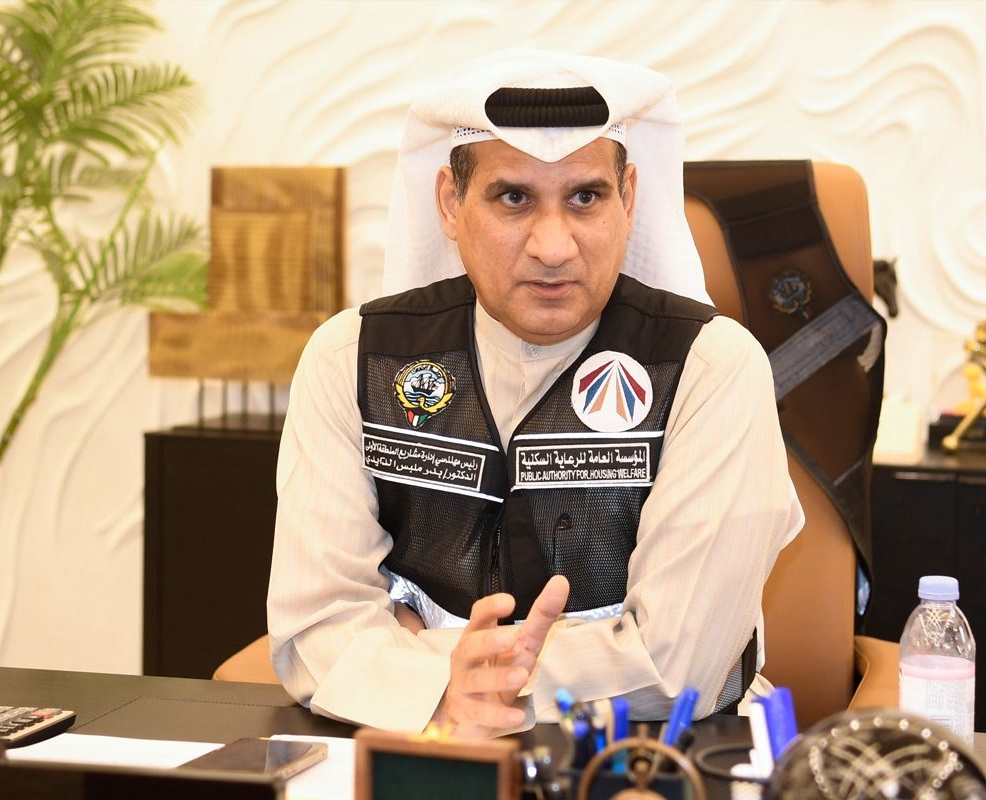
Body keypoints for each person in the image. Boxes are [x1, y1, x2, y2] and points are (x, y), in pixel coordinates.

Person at [267, 49, 803, 738]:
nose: (553, 246)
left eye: (585, 197)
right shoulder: (352, 360)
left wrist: (426, 671)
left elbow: (675, 665)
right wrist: (450, 691)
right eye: (513, 198)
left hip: (666, 754)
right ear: (451, 204)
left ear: (629, 198)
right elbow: (314, 629)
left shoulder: (712, 368)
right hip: (426, 744)